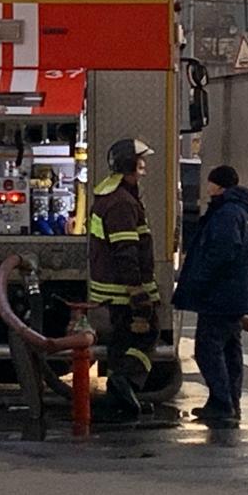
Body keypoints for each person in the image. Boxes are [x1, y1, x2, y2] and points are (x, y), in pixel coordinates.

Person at [172, 164, 248, 426]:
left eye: (210, 182)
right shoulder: (247, 213)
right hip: (236, 294)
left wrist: (198, 282)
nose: (207, 186)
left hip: (219, 296)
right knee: (230, 350)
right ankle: (230, 401)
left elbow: (220, 253)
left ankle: (221, 403)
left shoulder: (226, 213)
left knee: (208, 349)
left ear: (218, 185)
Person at [88, 138, 159, 422]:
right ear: (129, 166)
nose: (143, 170)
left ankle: (119, 397)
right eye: (140, 164)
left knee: (121, 341)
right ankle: (126, 382)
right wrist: (137, 292)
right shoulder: (122, 203)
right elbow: (126, 250)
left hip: (112, 289)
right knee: (146, 336)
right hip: (124, 289)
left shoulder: (110, 196)